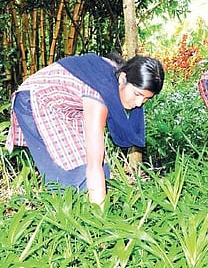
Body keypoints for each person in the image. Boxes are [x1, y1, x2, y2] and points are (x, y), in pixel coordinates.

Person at [6, 52, 164, 207]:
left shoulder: (117, 75)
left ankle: (88, 211)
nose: (139, 103)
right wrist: (101, 222)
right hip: (36, 100)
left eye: (146, 98)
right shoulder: (99, 93)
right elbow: (93, 165)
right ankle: (61, 219)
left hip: (68, 108)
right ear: (123, 78)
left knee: (102, 170)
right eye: (137, 94)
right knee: (68, 176)